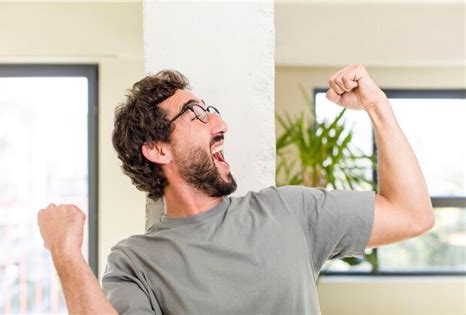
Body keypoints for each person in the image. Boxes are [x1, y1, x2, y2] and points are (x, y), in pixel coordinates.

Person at [38, 64, 435, 315]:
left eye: (211, 109)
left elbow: (413, 215)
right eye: (194, 113)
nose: (220, 122)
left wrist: (377, 106)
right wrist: (66, 255)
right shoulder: (135, 263)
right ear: (157, 149)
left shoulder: (290, 210)